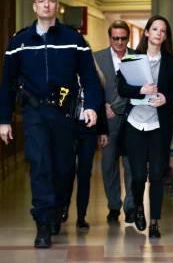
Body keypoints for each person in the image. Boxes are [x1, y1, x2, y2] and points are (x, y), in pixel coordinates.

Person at [0, 0, 102, 248]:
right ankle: (43, 223)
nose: (46, 5)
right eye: (41, 0)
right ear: (34, 6)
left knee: (65, 167)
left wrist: (91, 106)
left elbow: (89, 76)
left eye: (51, 0)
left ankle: (58, 208)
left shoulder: (73, 39)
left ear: (57, 6)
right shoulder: (19, 42)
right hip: (34, 112)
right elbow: (6, 82)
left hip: (64, 113)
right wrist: (4, 119)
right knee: (40, 164)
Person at [117, 15, 173, 238]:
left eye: (163, 31)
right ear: (147, 33)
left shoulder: (171, 62)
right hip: (135, 124)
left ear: (166, 36)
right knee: (137, 176)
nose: (159, 33)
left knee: (156, 176)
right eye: (155, 29)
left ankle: (155, 223)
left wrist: (166, 98)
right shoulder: (132, 59)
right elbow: (122, 88)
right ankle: (137, 208)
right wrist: (140, 91)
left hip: (158, 126)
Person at [94, 20, 135, 223]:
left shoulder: (137, 57)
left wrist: (115, 107)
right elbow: (91, 86)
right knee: (109, 164)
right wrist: (102, 107)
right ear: (109, 37)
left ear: (128, 38)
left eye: (123, 38)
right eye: (115, 38)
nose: (119, 42)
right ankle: (113, 206)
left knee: (130, 164)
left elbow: (139, 87)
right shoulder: (97, 58)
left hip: (131, 119)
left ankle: (130, 207)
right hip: (107, 121)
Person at [61, 64, 109, 230]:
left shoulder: (94, 78)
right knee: (67, 171)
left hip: (88, 129)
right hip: (68, 128)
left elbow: (100, 107)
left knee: (84, 173)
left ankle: (81, 217)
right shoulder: (66, 74)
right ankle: (63, 207)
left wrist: (103, 131)